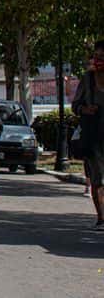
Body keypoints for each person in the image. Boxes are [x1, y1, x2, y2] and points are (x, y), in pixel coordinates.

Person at [72, 41, 104, 230]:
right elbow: (75, 105)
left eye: (102, 57)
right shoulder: (88, 80)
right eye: (96, 56)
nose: (98, 61)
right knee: (98, 177)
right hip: (94, 135)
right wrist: (85, 108)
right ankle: (101, 217)